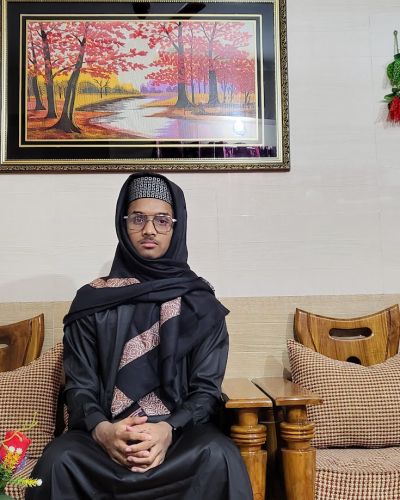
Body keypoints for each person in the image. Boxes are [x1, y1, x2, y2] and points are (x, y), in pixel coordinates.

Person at [27, 173, 253, 500]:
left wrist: (168, 429)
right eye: (138, 219)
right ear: (123, 225)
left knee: (220, 456)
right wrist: (104, 431)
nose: (149, 230)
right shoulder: (91, 301)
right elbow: (80, 386)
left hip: (179, 436)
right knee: (58, 461)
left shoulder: (200, 303)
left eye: (162, 220)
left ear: (176, 227)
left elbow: (206, 390)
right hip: (101, 436)